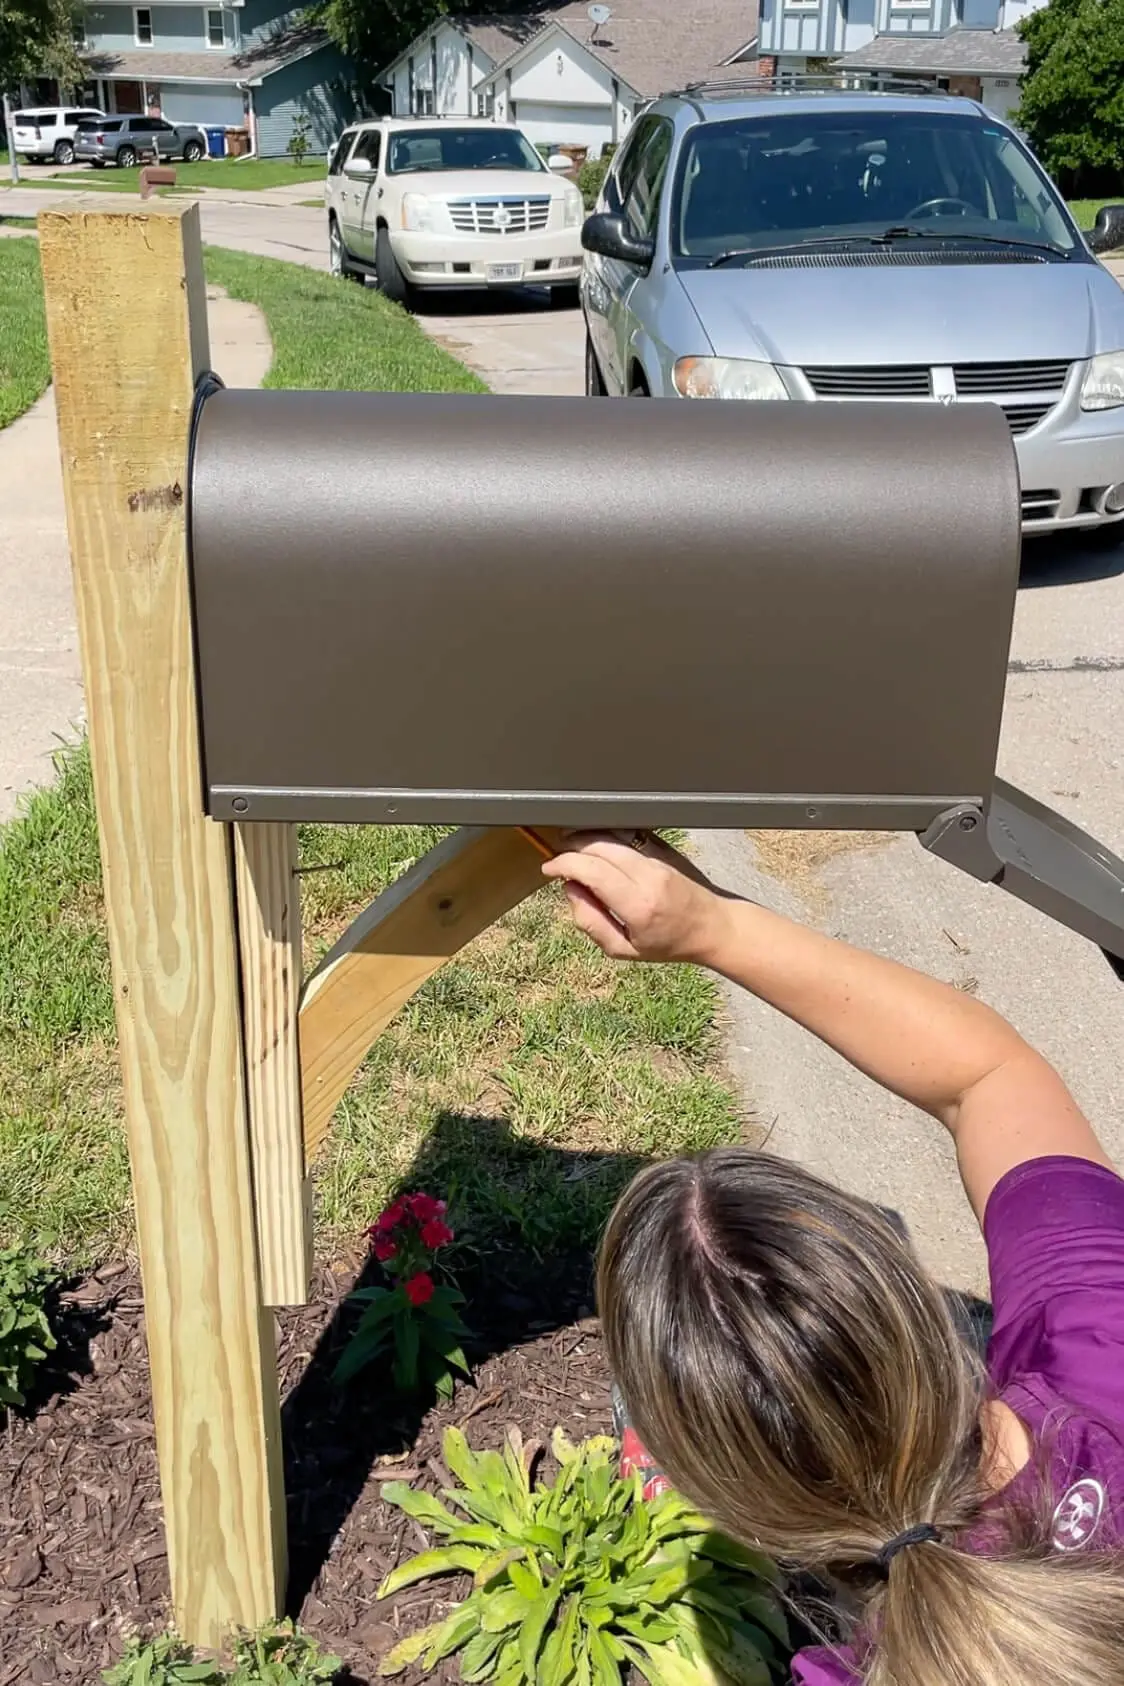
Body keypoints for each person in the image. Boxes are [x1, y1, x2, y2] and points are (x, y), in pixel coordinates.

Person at [540, 833, 1124, 1686]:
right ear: (928, 1316)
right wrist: (712, 927)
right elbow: (986, 1078)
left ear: (745, 1518)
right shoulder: (1098, 1346)